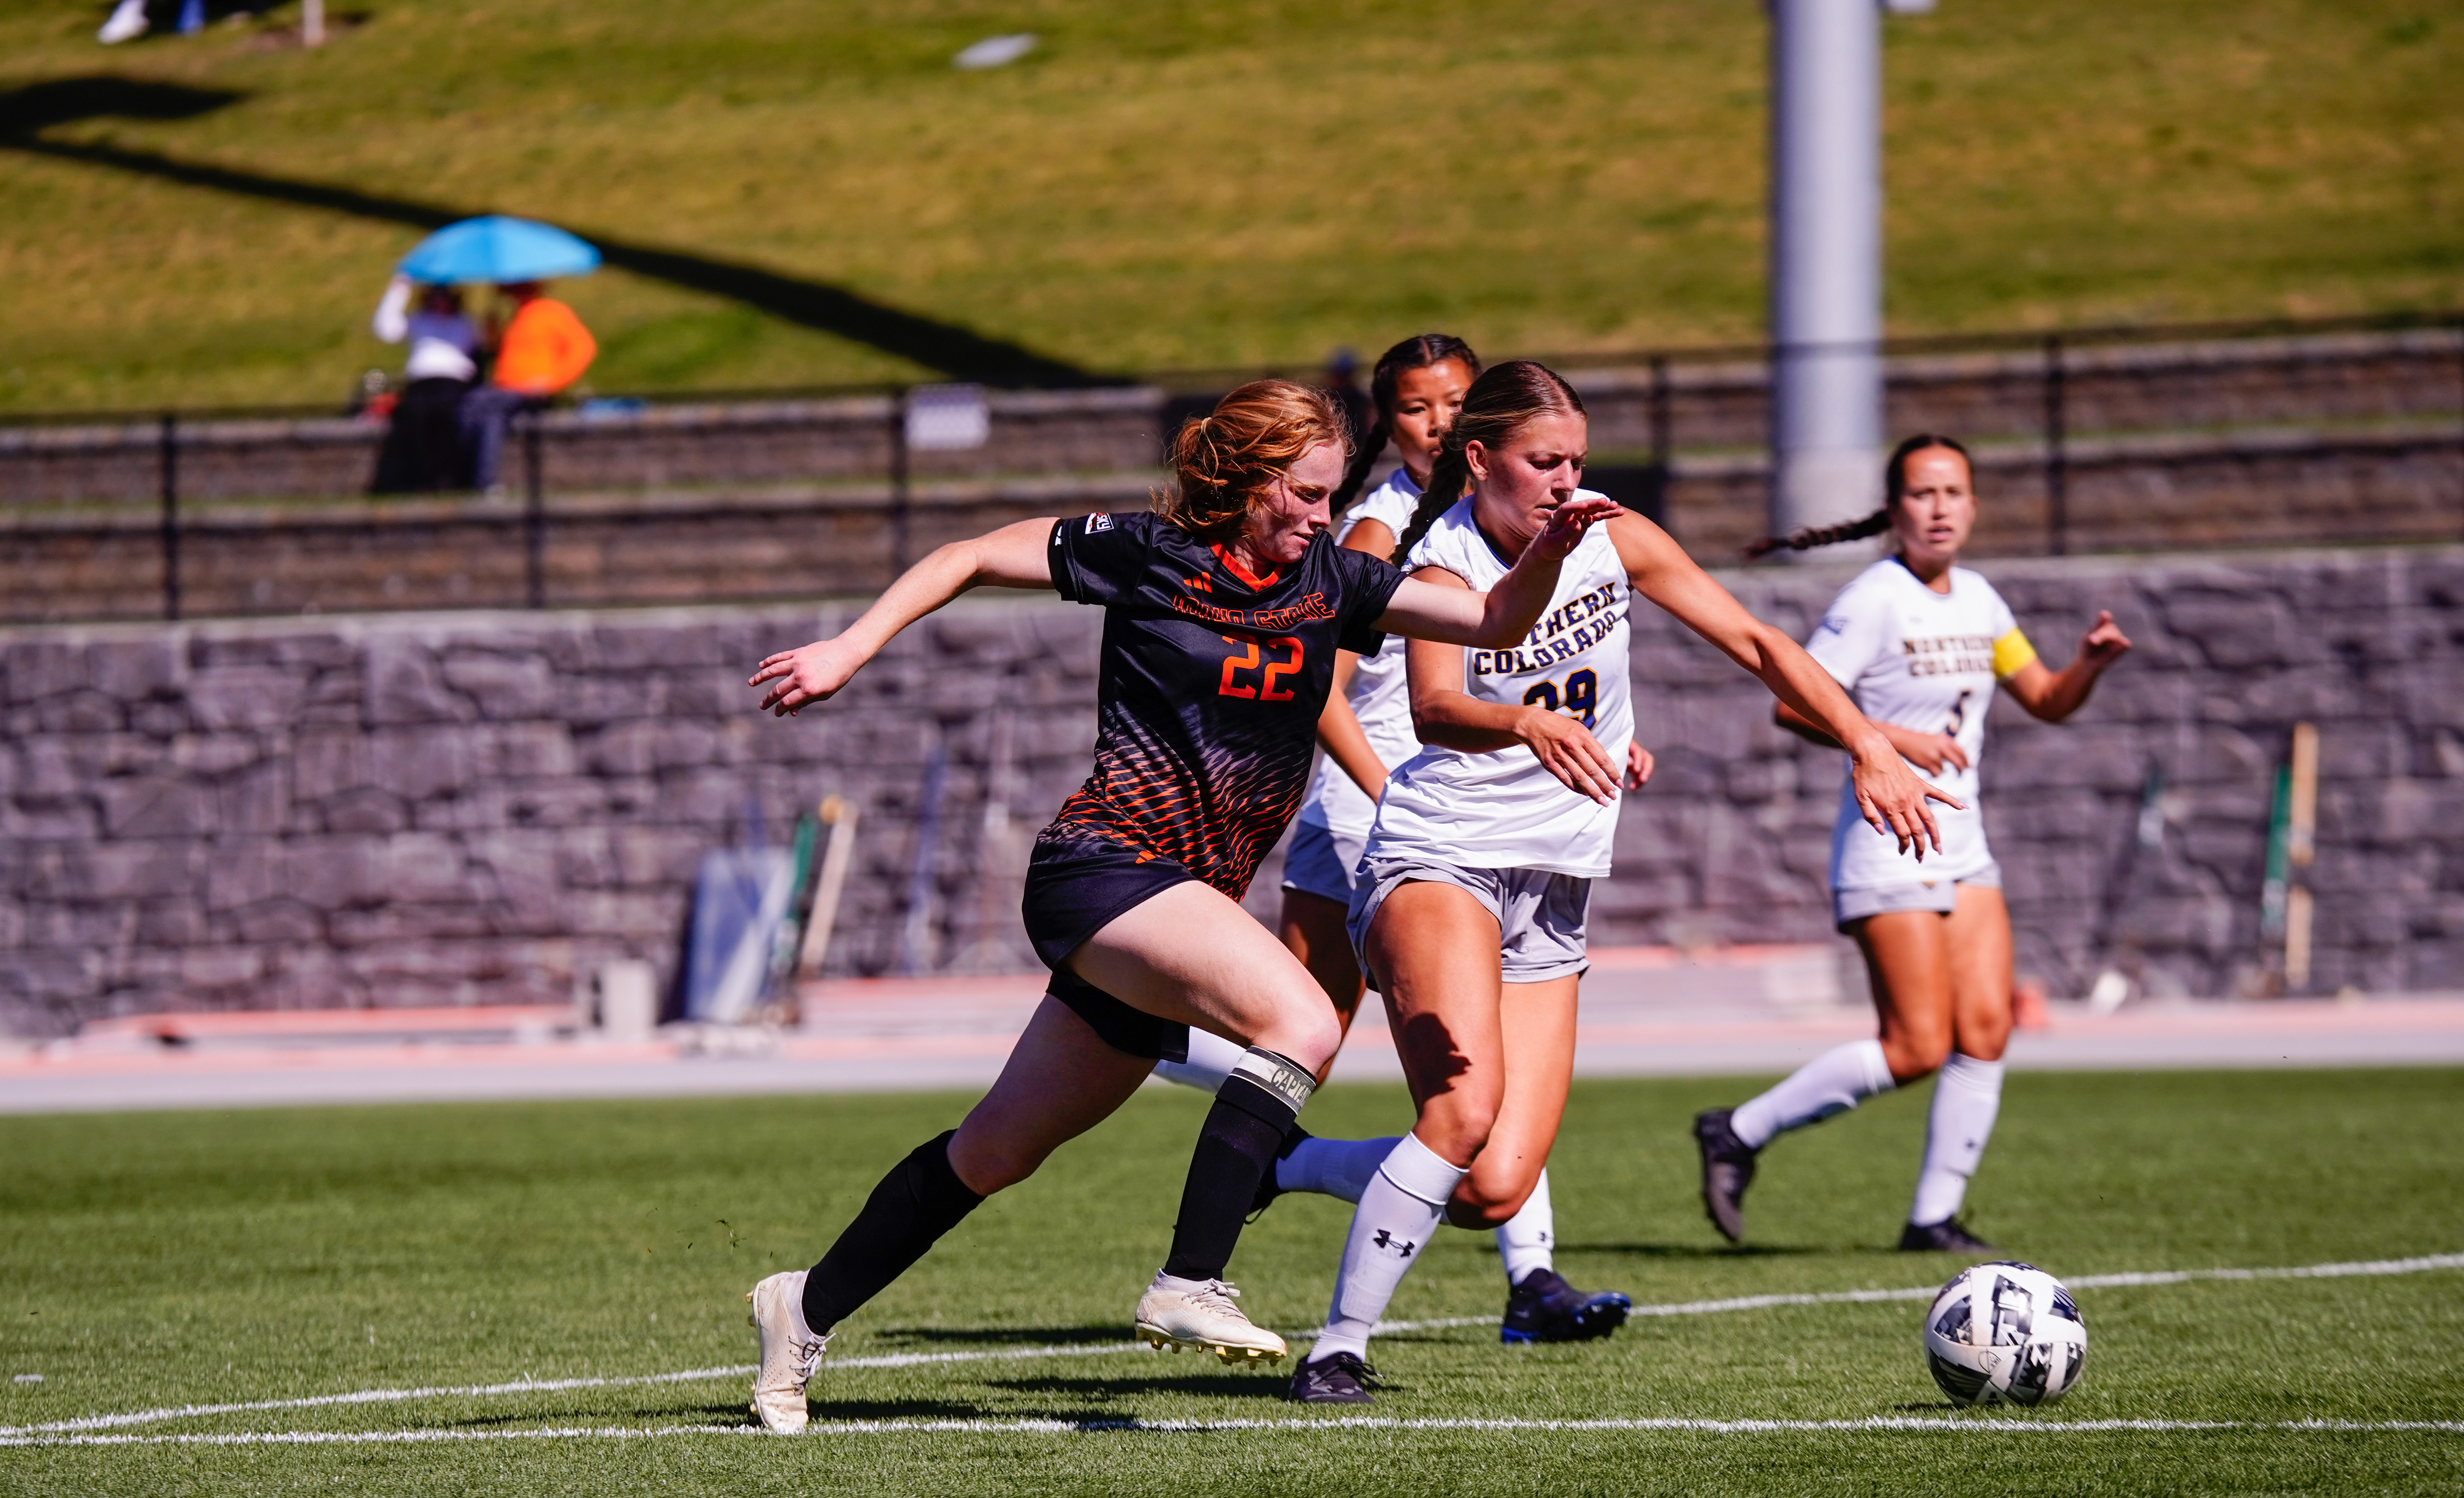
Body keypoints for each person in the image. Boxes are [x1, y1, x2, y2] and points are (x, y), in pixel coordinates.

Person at [736, 381, 1814, 1435]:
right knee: (1300, 1018)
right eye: (1303, 494)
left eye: (1332, 493)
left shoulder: (1334, 582)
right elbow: (967, 555)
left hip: (1182, 900)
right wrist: (849, 647)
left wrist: (1549, 546)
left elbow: (1492, 617)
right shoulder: (1148, 554)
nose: (1321, 515)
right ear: (1249, 484)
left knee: (994, 1154)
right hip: (1100, 868)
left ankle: (805, 1307)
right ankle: (1189, 1279)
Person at [1285, 363, 1955, 1406]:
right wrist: (1529, 722)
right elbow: (1433, 710)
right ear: (1479, 461)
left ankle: (1281, 1164)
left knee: (1495, 1182)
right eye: (1543, 462)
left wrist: (1865, 740)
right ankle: (1338, 1348)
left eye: (1578, 462)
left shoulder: (1612, 535)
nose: (1566, 482)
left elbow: (1756, 641)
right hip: (1439, 854)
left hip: (1555, 881)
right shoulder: (1445, 560)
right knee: (1461, 1118)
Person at [1158, 335, 1645, 1346]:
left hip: (1461, 799)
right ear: (1399, 424)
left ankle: (1530, 1271)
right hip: (1379, 808)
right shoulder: (1378, 531)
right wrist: (1383, 794)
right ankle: (1152, 1046)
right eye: (1420, 408)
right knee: (1303, 1038)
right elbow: (1320, 690)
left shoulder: (1517, 523)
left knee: (1465, 1066)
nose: (1440, 421)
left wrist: (1600, 739)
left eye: (1457, 402)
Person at [1692, 435, 2131, 1252]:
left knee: (1987, 1029)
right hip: (1887, 840)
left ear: (1973, 506)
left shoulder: (1982, 602)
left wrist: (2088, 665)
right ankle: (1739, 1131)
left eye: (1954, 493)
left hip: (1964, 845)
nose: (1940, 509)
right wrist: (1892, 741)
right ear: (1894, 511)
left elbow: (2044, 699)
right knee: (1917, 1046)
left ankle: (1933, 1218)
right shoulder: (1874, 600)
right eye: (1923, 495)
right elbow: (1794, 706)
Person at [461, 281, 596, 493]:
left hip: (530, 391)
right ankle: (468, 474)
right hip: (504, 389)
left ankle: (484, 479)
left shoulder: (551, 312)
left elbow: (583, 348)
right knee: (471, 404)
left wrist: (552, 383)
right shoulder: (517, 316)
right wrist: (492, 335)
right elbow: (510, 355)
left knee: (489, 411)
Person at [368, 275, 480, 495]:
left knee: (452, 425)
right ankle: (420, 480)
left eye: (445, 297)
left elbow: (478, 347)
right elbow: (385, 329)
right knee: (417, 425)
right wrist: (399, 290)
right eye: (435, 297)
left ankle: (451, 479)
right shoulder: (419, 321)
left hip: (454, 383)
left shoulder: (464, 324)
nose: (440, 302)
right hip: (422, 382)